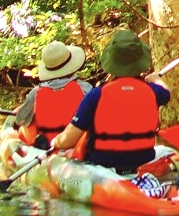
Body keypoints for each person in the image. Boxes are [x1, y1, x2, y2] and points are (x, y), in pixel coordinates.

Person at [52, 29, 169, 175]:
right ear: (140, 62)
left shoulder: (96, 95)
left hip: (102, 169)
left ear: (111, 63)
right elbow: (166, 92)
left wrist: (54, 142)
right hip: (142, 164)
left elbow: (68, 140)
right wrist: (156, 79)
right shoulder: (154, 92)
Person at [14, 40, 90, 150]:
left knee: (26, 123)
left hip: (46, 146)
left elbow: (20, 121)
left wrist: (23, 111)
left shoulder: (35, 93)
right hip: (76, 147)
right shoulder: (86, 89)